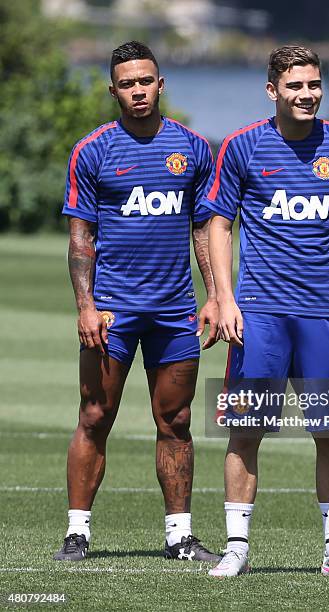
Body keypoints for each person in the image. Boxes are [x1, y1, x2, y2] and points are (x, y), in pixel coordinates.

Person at [204, 45, 329, 577]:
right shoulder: (241, 146)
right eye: (295, 86)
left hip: (325, 316)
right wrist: (226, 299)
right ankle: (236, 547)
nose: (307, 95)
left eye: (314, 85)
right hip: (257, 314)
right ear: (272, 90)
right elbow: (218, 223)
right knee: (246, 430)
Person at [54, 41, 220, 563]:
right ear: (114, 90)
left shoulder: (193, 148)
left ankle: (180, 537)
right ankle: (77, 533)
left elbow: (203, 230)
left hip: (174, 310)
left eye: (145, 81)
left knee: (176, 420)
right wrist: (85, 305)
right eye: (127, 84)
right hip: (112, 309)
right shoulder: (93, 150)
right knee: (95, 414)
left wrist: (215, 294)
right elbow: (81, 238)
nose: (138, 91)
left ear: (160, 83)